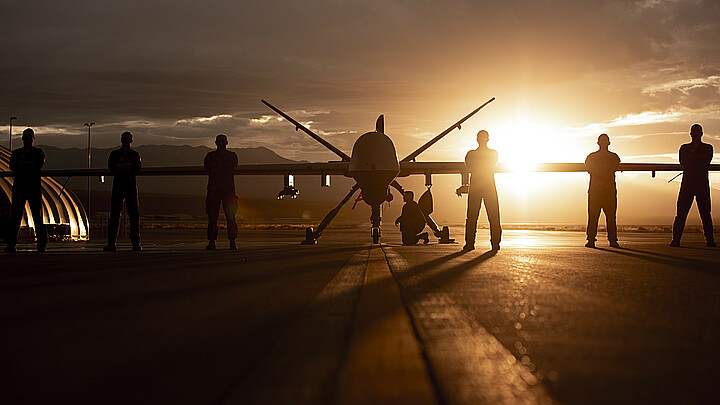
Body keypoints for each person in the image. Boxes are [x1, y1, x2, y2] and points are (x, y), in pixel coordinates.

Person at [670, 124, 716, 247]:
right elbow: (683, 162)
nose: (695, 133)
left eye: (698, 131)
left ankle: (710, 240)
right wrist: (696, 160)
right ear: (691, 134)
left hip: (701, 184)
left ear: (701, 133)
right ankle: (676, 239)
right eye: (694, 131)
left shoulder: (708, 148)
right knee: (681, 213)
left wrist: (692, 159)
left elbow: (705, 162)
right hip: (688, 184)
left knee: (705, 213)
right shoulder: (684, 148)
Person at [4, 128, 47, 253]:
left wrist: (22, 163)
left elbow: (34, 164)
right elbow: (13, 166)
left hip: (27, 187)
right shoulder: (33, 153)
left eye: (29, 136)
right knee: (18, 217)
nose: (27, 138)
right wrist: (29, 164)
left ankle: (40, 244)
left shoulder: (29, 153)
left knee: (35, 217)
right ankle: (12, 244)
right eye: (26, 136)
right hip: (24, 188)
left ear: (32, 138)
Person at [103, 131, 142, 251]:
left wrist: (121, 166)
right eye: (124, 138)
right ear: (121, 140)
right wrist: (126, 166)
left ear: (131, 141)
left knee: (134, 216)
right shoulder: (115, 154)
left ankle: (136, 243)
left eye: (127, 139)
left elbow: (137, 167)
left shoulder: (135, 154)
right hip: (118, 187)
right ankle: (111, 243)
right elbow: (111, 166)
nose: (125, 141)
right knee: (114, 215)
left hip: (130, 187)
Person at [464, 130, 501, 251]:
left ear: (477, 139)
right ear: (487, 139)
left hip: (476, 185)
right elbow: (491, 165)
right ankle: (495, 244)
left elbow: (469, 167)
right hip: (488, 185)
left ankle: (470, 244)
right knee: (493, 216)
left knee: (472, 216)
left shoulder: (471, 154)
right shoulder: (493, 153)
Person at [584, 134, 621, 248]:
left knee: (610, 217)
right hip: (597, 190)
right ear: (598, 143)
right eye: (602, 140)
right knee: (594, 216)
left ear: (608, 143)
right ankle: (591, 239)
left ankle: (612, 240)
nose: (604, 143)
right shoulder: (593, 157)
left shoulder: (612, 157)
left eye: (605, 140)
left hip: (607, 191)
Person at [204, 134, 239, 250]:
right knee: (213, 217)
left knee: (230, 217)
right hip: (216, 190)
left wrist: (217, 167)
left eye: (223, 141)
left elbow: (229, 167)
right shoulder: (214, 156)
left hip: (226, 190)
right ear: (216, 143)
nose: (221, 143)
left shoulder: (229, 156)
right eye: (219, 141)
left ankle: (232, 241)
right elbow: (210, 167)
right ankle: (213, 241)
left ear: (227, 143)